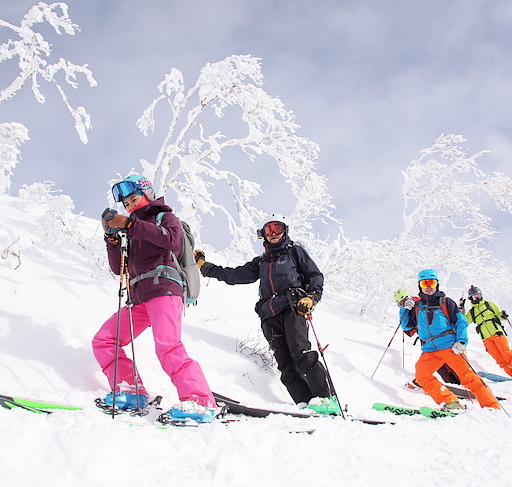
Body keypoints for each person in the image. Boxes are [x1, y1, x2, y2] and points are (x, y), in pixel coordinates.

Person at [94, 174, 218, 422]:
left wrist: (129, 225)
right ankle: (130, 390)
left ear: (147, 193)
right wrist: (111, 239)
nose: (128, 205)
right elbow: (119, 268)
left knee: (168, 347)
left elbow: (171, 239)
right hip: (138, 298)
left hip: (164, 290)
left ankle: (200, 401)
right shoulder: (133, 229)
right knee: (105, 340)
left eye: (133, 198)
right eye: (125, 203)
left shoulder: (165, 217)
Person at [194, 214, 340, 415]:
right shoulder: (261, 262)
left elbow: (315, 275)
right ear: (262, 234)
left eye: (277, 229)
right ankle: (304, 403)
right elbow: (234, 275)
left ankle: (325, 399)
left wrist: (311, 298)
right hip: (269, 316)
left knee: (300, 352)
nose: (273, 234)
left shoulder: (294, 252)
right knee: (285, 363)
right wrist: (205, 267)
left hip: (292, 308)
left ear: (284, 231)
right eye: (268, 230)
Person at [399, 270, 501, 412]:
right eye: (425, 283)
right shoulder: (417, 306)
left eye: (432, 282)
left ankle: (492, 406)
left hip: (450, 347)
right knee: (421, 376)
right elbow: (406, 326)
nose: (429, 286)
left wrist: (461, 341)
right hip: (429, 350)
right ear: (420, 286)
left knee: (468, 378)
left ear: (437, 284)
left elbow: (461, 322)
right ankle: (450, 402)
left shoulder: (446, 302)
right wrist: (404, 309)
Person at [394, 288, 460, 388]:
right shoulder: (406, 310)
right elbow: (405, 326)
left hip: (445, 338)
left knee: (453, 363)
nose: (403, 304)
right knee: (440, 367)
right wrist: (404, 309)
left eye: (403, 301)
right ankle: (453, 384)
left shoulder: (420, 302)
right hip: (428, 342)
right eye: (400, 304)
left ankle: (465, 383)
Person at [463, 286, 512, 377]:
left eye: (478, 295)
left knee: (507, 353)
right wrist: (461, 309)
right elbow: (464, 321)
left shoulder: (489, 305)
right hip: (485, 337)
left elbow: (498, 315)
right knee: (498, 358)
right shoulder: (472, 312)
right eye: (474, 297)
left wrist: (502, 315)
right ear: (471, 298)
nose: (477, 298)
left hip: (496, 332)